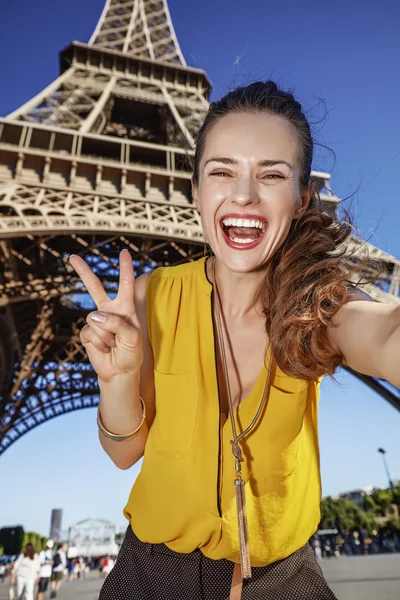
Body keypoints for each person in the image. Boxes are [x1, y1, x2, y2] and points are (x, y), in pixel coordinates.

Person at [69, 81, 400, 600]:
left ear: (301, 199)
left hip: (284, 578)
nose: (244, 194)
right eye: (222, 171)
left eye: (272, 175)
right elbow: (125, 452)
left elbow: (383, 332)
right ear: (196, 191)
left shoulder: (320, 305)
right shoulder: (152, 298)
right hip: (150, 574)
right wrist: (118, 379)